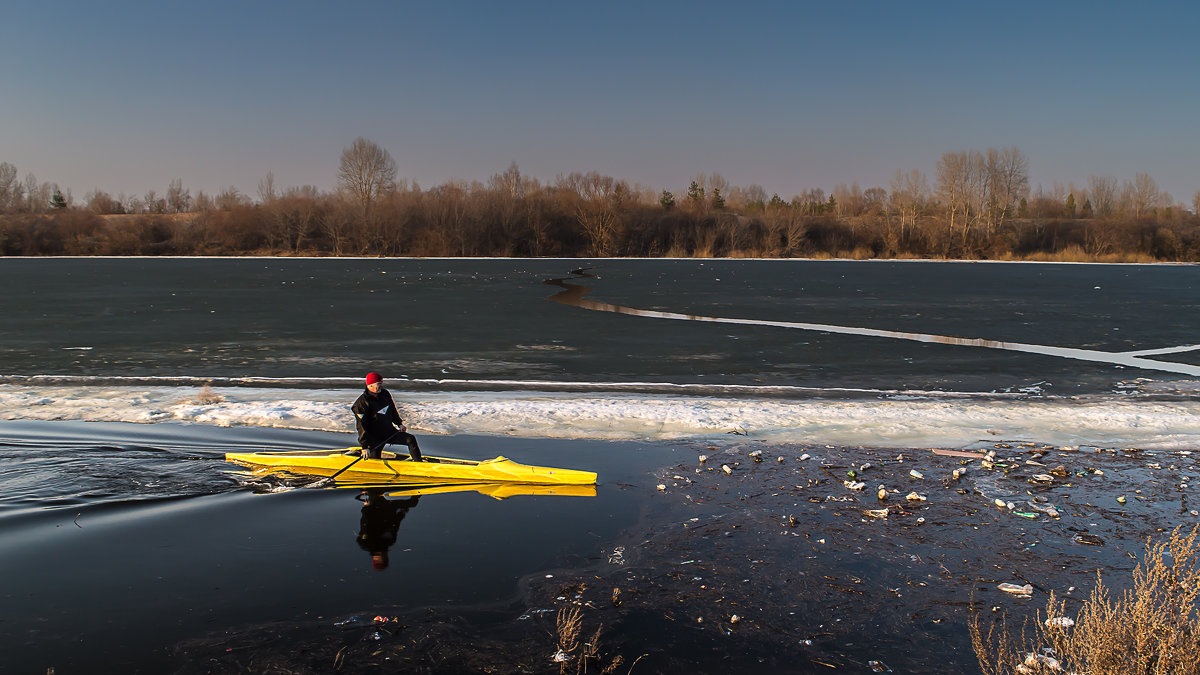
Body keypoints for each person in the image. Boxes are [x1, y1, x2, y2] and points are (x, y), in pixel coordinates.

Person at [352, 372, 423, 461]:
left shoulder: (385, 394)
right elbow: (361, 426)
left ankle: (419, 463)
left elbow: (392, 409)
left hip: (389, 433)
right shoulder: (361, 404)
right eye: (379, 384)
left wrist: (399, 423)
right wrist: (364, 447)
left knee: (410, 439)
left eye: (381, 383)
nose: (381, 386)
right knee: (375, 461)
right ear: (370, 386)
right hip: (374, 438)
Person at [356, 488, 419, 571]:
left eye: (380, 560)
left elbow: (364, 523)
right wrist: (402, 513)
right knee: (413, 503)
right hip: (388, 508)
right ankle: (419, 489)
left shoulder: (367, 545)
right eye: (385, 559)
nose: (383, 557)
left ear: (374, 559)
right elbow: (396, 524)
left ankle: (368, 492)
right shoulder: (390, 541)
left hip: (373, 508)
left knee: (373, 493)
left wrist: (367, 507)